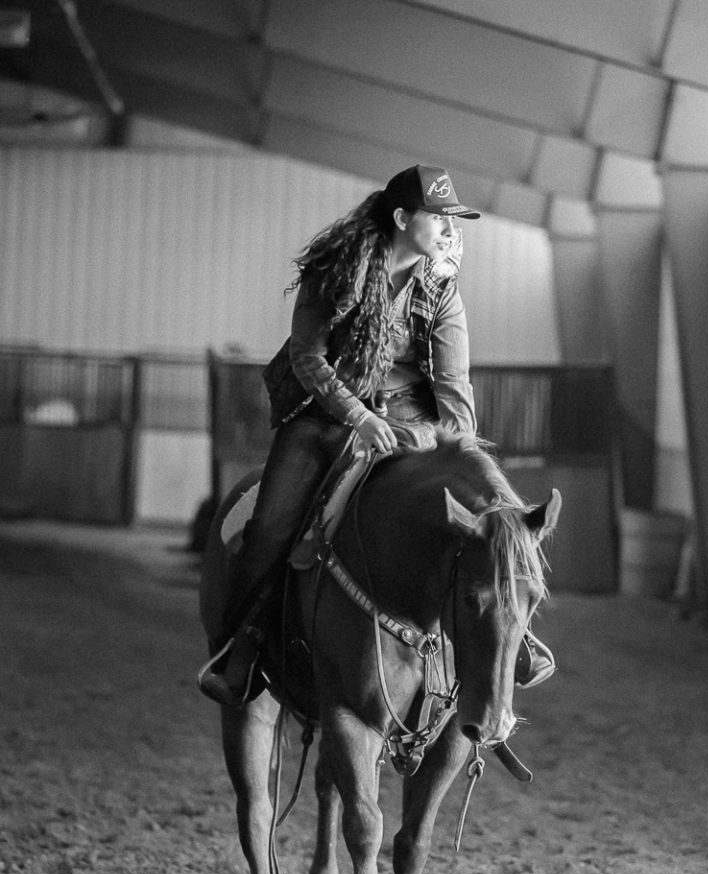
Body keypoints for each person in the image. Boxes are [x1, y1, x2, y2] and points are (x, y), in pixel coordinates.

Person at [198, 163, 555, 706]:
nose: (449, 228)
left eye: (452, 219)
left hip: (414, 427)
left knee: (485, 528)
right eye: (439, 217)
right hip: (325, 418)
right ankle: (240, 647)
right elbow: (307, 358)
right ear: (402, 218)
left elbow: (453, 383)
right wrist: (360, 418)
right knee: (270, 527)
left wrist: (459, 453)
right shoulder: (335, 272)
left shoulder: (442, 292)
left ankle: (515, 636)